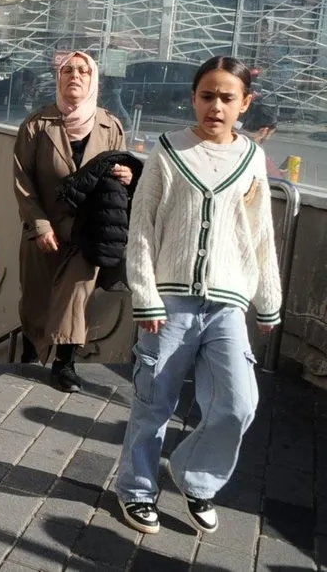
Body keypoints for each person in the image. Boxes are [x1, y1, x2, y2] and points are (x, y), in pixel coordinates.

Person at [114, 56, 281, 537]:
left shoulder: (251, 158)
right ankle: (137, 490)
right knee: (153, 403)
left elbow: (260, 235)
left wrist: (268, 300)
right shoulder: (168, 150)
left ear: (244, 104)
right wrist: (146, 295)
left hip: (228, 304)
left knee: (239, 403)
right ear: (194, 97)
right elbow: (142, 228)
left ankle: (196, 477)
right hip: (168, 304)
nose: (216, 106)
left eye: (227, 97)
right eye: (207, 95)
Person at [12, 50, 133, 392]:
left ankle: (65, 364)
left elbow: (120, 171)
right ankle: (32, 348)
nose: (75, 76)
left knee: (77, 294)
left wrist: (127, 174)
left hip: (88, 233)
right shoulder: (37, 125)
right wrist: (40, 225)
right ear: (59, 79)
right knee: (36, 299)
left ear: (93, 80)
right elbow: (23, 182)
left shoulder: (111, 125)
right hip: (45, 230)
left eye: (83, 70)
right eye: (68, 71)